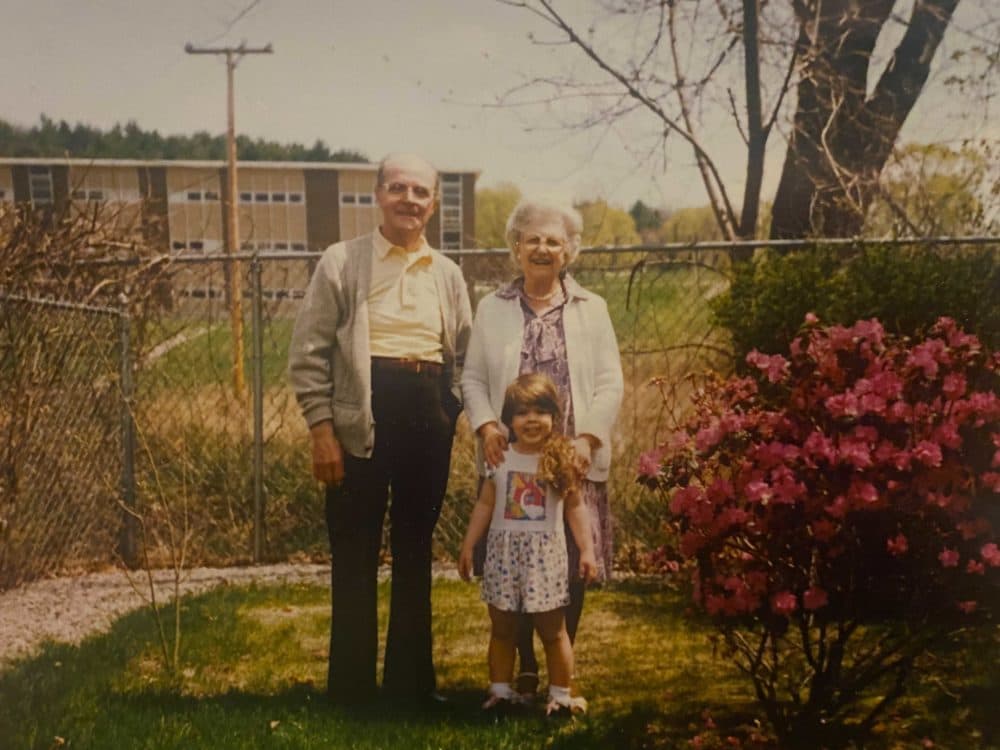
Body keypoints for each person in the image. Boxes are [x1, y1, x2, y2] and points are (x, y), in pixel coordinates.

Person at [288, 153, 472, 707]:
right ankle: (350, 690)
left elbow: (465, 352)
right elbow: (308, 351)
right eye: (398, 188)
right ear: (377, 194)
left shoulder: (447, 272)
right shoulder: (342, 261)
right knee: (355, 550)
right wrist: (322, 429)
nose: (409, 200)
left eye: (421, 191)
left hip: (428, 414)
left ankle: (411, 687)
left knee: (415, 550)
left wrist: (453, 409)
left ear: (433, 204)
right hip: (359, 418)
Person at [461, 197, 623, 700]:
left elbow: (609, 382)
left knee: (571, 562)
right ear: (515, 247)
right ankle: (523, 668)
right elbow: (471, 379)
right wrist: (488, 426)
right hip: (511, 460)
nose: (542, 248)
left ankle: (560, 670)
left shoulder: (591, 308)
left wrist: (586, 439)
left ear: (569, 251)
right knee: (514, 564)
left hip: (569, 461)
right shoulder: (492, 307)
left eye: (554, 240)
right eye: (532, 238)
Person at [459, 373, 597, 715]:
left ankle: (561, 696)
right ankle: (501, 693)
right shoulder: (500, 458)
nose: (531, 420)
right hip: (504, 559)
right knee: (502, 629)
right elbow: (485, 505)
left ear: (554, 416)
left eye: (540, 411)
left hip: (544, 561)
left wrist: (587, 550)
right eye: (521, 412)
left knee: (554, 632)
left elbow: (576, 508)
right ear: (508, 420)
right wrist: (467, 545)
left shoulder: (559, 460)